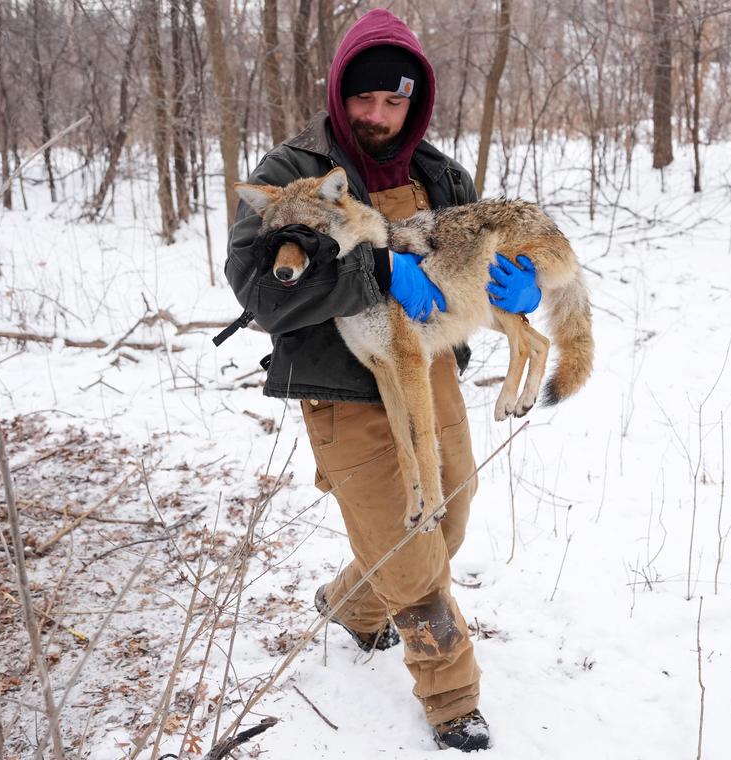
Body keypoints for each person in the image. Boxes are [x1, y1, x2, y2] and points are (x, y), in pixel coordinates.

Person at [223, 8, 541, 752]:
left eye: (392, 100)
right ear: (340, 93)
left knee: (449, 522)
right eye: (364, 99)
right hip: (343, 388)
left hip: (428, 376)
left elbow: (465, 265)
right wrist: (369, 268)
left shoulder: (439, 174)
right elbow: (259, 292)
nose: (377, 114)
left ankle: (351, 606)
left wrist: (511, 290)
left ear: (413, 102)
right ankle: (451, 695)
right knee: (415, 556)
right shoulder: (289, 173)